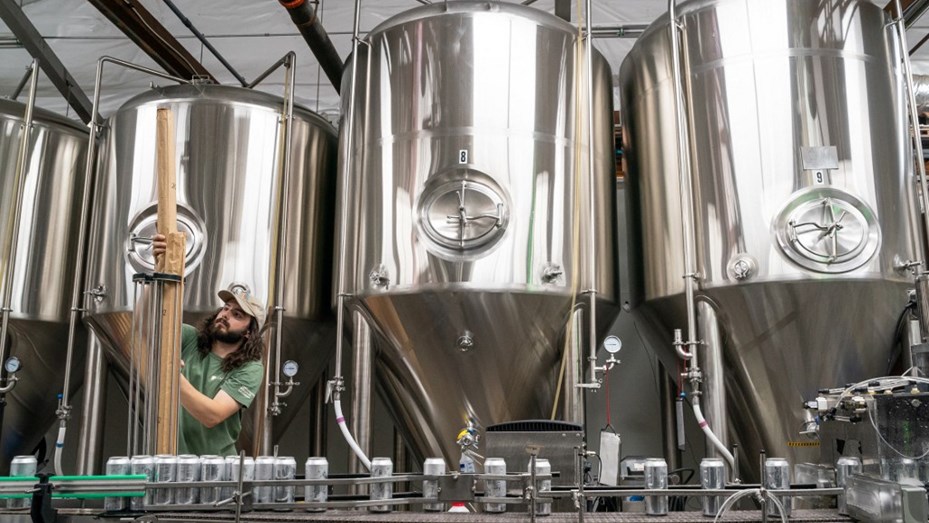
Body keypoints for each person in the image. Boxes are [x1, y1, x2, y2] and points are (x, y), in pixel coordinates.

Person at [153, 234, 266, 456]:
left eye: (237, 314)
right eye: (225, 308)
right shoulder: (190, 339)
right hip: (171, 461)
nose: (225, 315)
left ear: (248, 333)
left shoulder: (250, 368)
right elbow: (146, 327)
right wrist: (158, 271)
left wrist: (173, 375)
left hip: (217, 468)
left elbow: (212, 416)